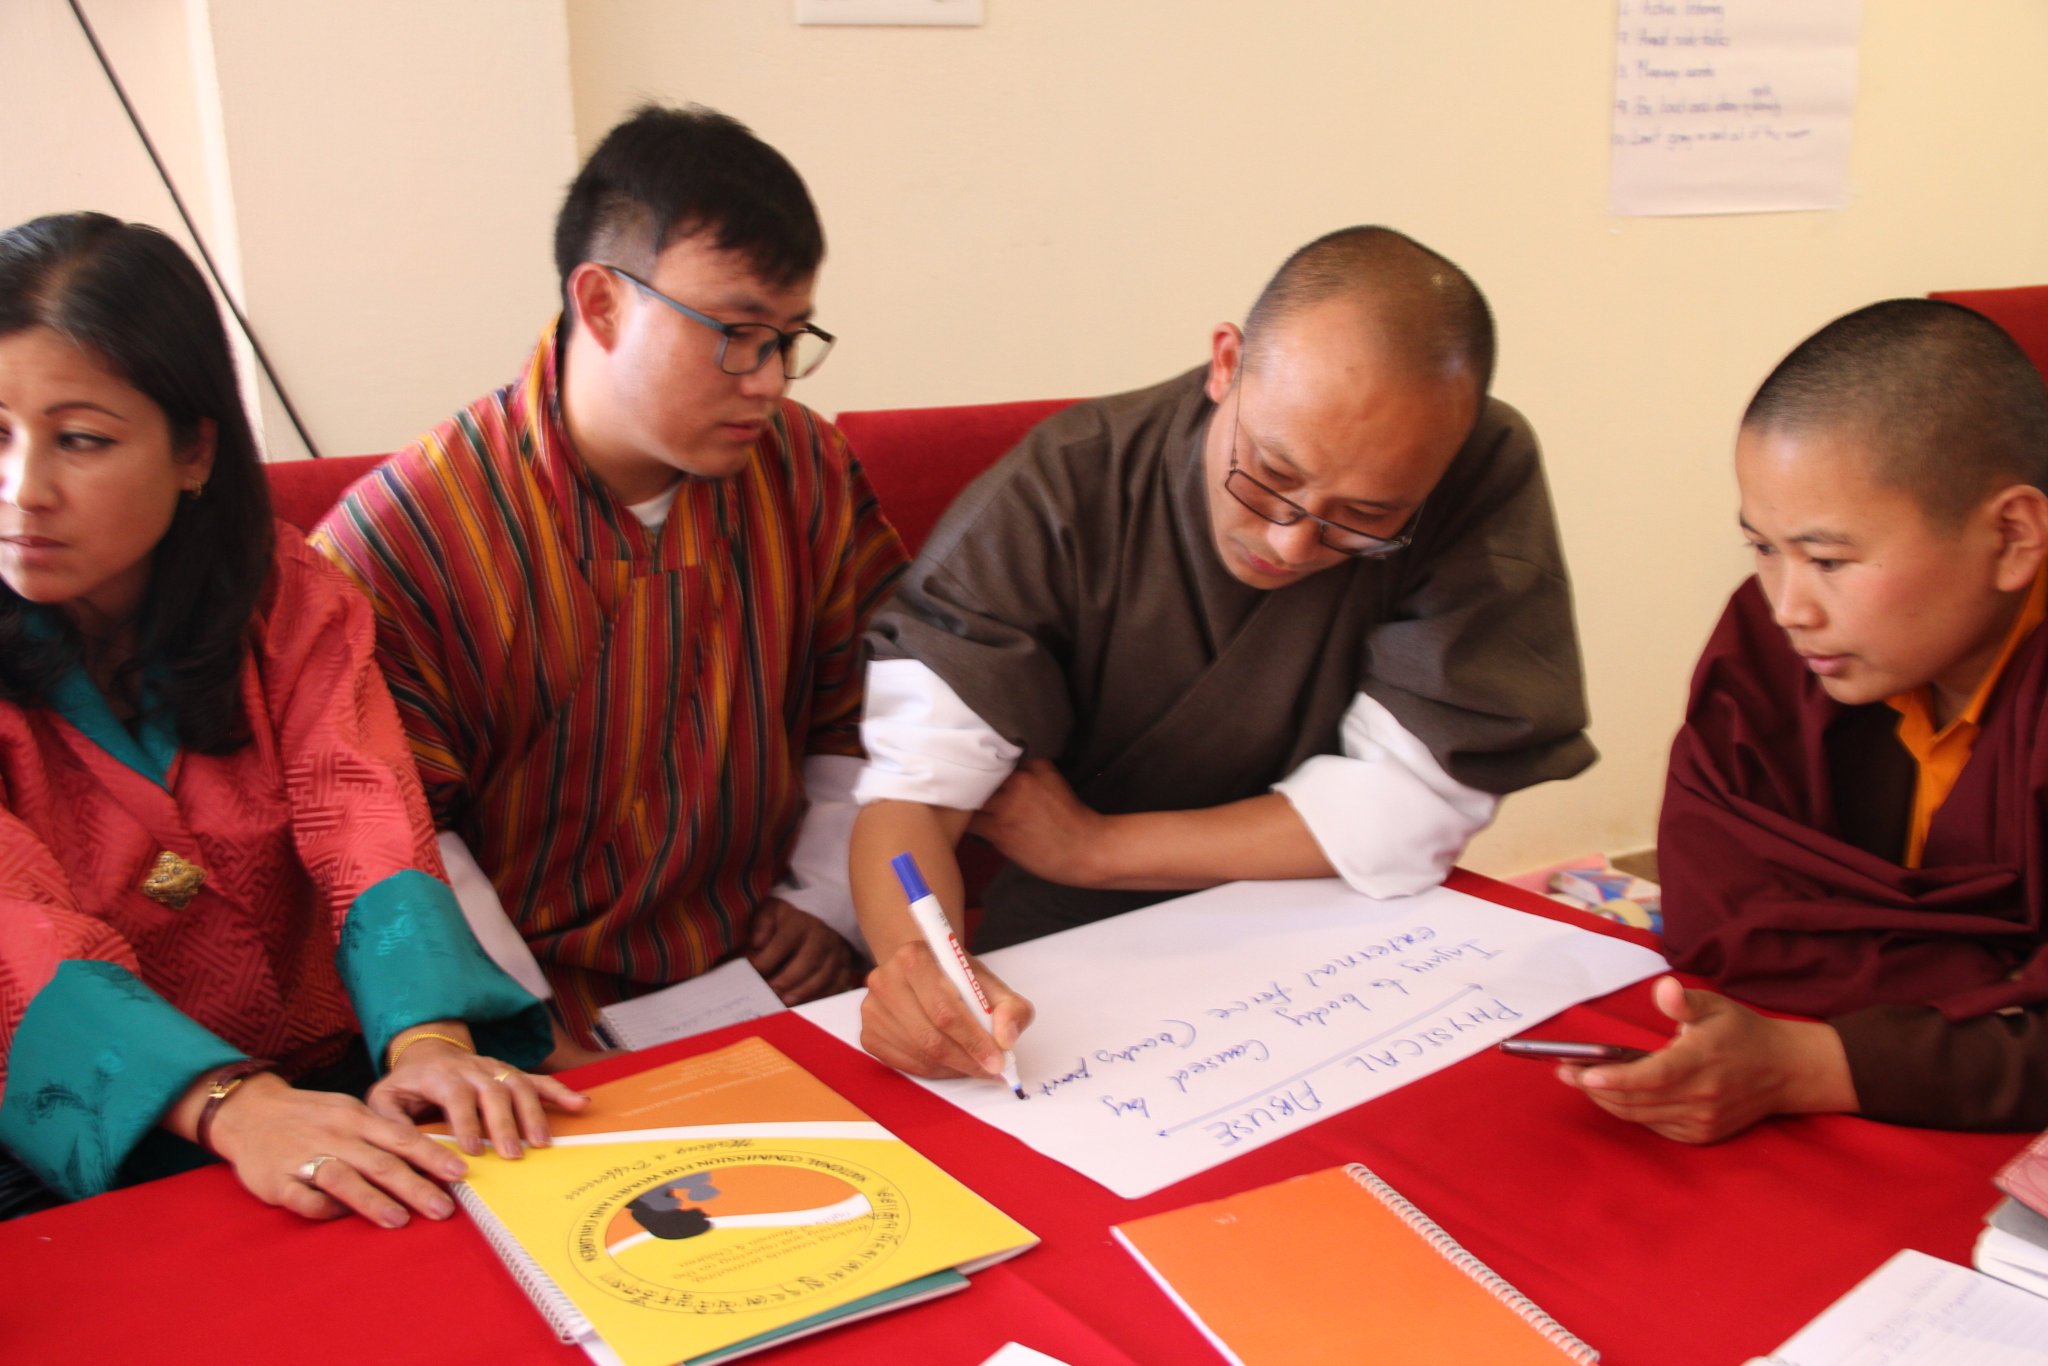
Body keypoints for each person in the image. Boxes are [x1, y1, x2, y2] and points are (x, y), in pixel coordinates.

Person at [850, 226, 1595, 1080]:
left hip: (1347, 936)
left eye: (1366, 517)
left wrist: (1099, 846)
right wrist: (920, 974)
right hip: (1082, 944)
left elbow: (1417, 803)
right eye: (1270, 473)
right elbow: (913, 795)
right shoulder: (1066, 487)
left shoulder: (1475, 468)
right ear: (1226, 364)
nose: (1288, 542)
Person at [0, 212, 580, 1226]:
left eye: (80, 439)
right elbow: (21, 933)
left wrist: (431, 1044)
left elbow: (364, 817)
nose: (22, 489)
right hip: (84, 1115)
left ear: (193, 453)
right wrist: (230, 1104)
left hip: (331, 1071)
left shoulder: (288, 598)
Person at [313, 105, 906, 1055]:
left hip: (771, 963)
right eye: (737, 334)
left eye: (790, 339)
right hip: (527, 1008)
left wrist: (826, 901)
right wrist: (522, 1026)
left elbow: (875, 698)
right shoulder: (407, 535)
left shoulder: (803, 468)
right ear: (600, 303)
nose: (768, 381)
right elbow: (395, 830)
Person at [1562, 299, 2048, 1142]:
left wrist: (1811, 1063)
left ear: (2012, 535)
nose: (1790, 608)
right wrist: (1986, 1000)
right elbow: (1725, 916)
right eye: (1761, 547)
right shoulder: (1772, 646)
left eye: (1827, 561)